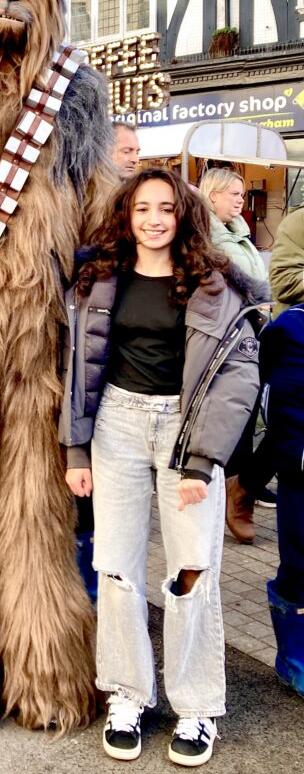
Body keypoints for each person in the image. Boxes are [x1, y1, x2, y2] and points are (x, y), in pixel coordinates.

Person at [61, 168, 265, 767]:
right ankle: (126, 693)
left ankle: (195, 707)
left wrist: (204, 462)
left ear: (185, 216)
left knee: (191, 570)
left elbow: (238, 379)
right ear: (127, 215)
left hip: (186, 429)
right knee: (116, 568)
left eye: (167, 209)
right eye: (143, 208)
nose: (154, 219)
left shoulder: (215, 286)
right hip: (116, 426)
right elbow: (77, 368)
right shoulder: (99, 277)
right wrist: (76, 449)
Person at [199, 168, 272, 544]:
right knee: (232, 413)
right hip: (225, 337)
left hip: (253, 332)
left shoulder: (238, 234)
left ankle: (240, 486)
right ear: (212, 195)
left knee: (250, 411)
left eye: (243, 194)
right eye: (233, 193)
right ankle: (230, 490)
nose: (241, 199)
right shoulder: (206, 236)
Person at [259, 301, 304, 697]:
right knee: (300, 565)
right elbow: (275, 404)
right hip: (300, 473)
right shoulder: (291, 328)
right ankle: (294, 660)